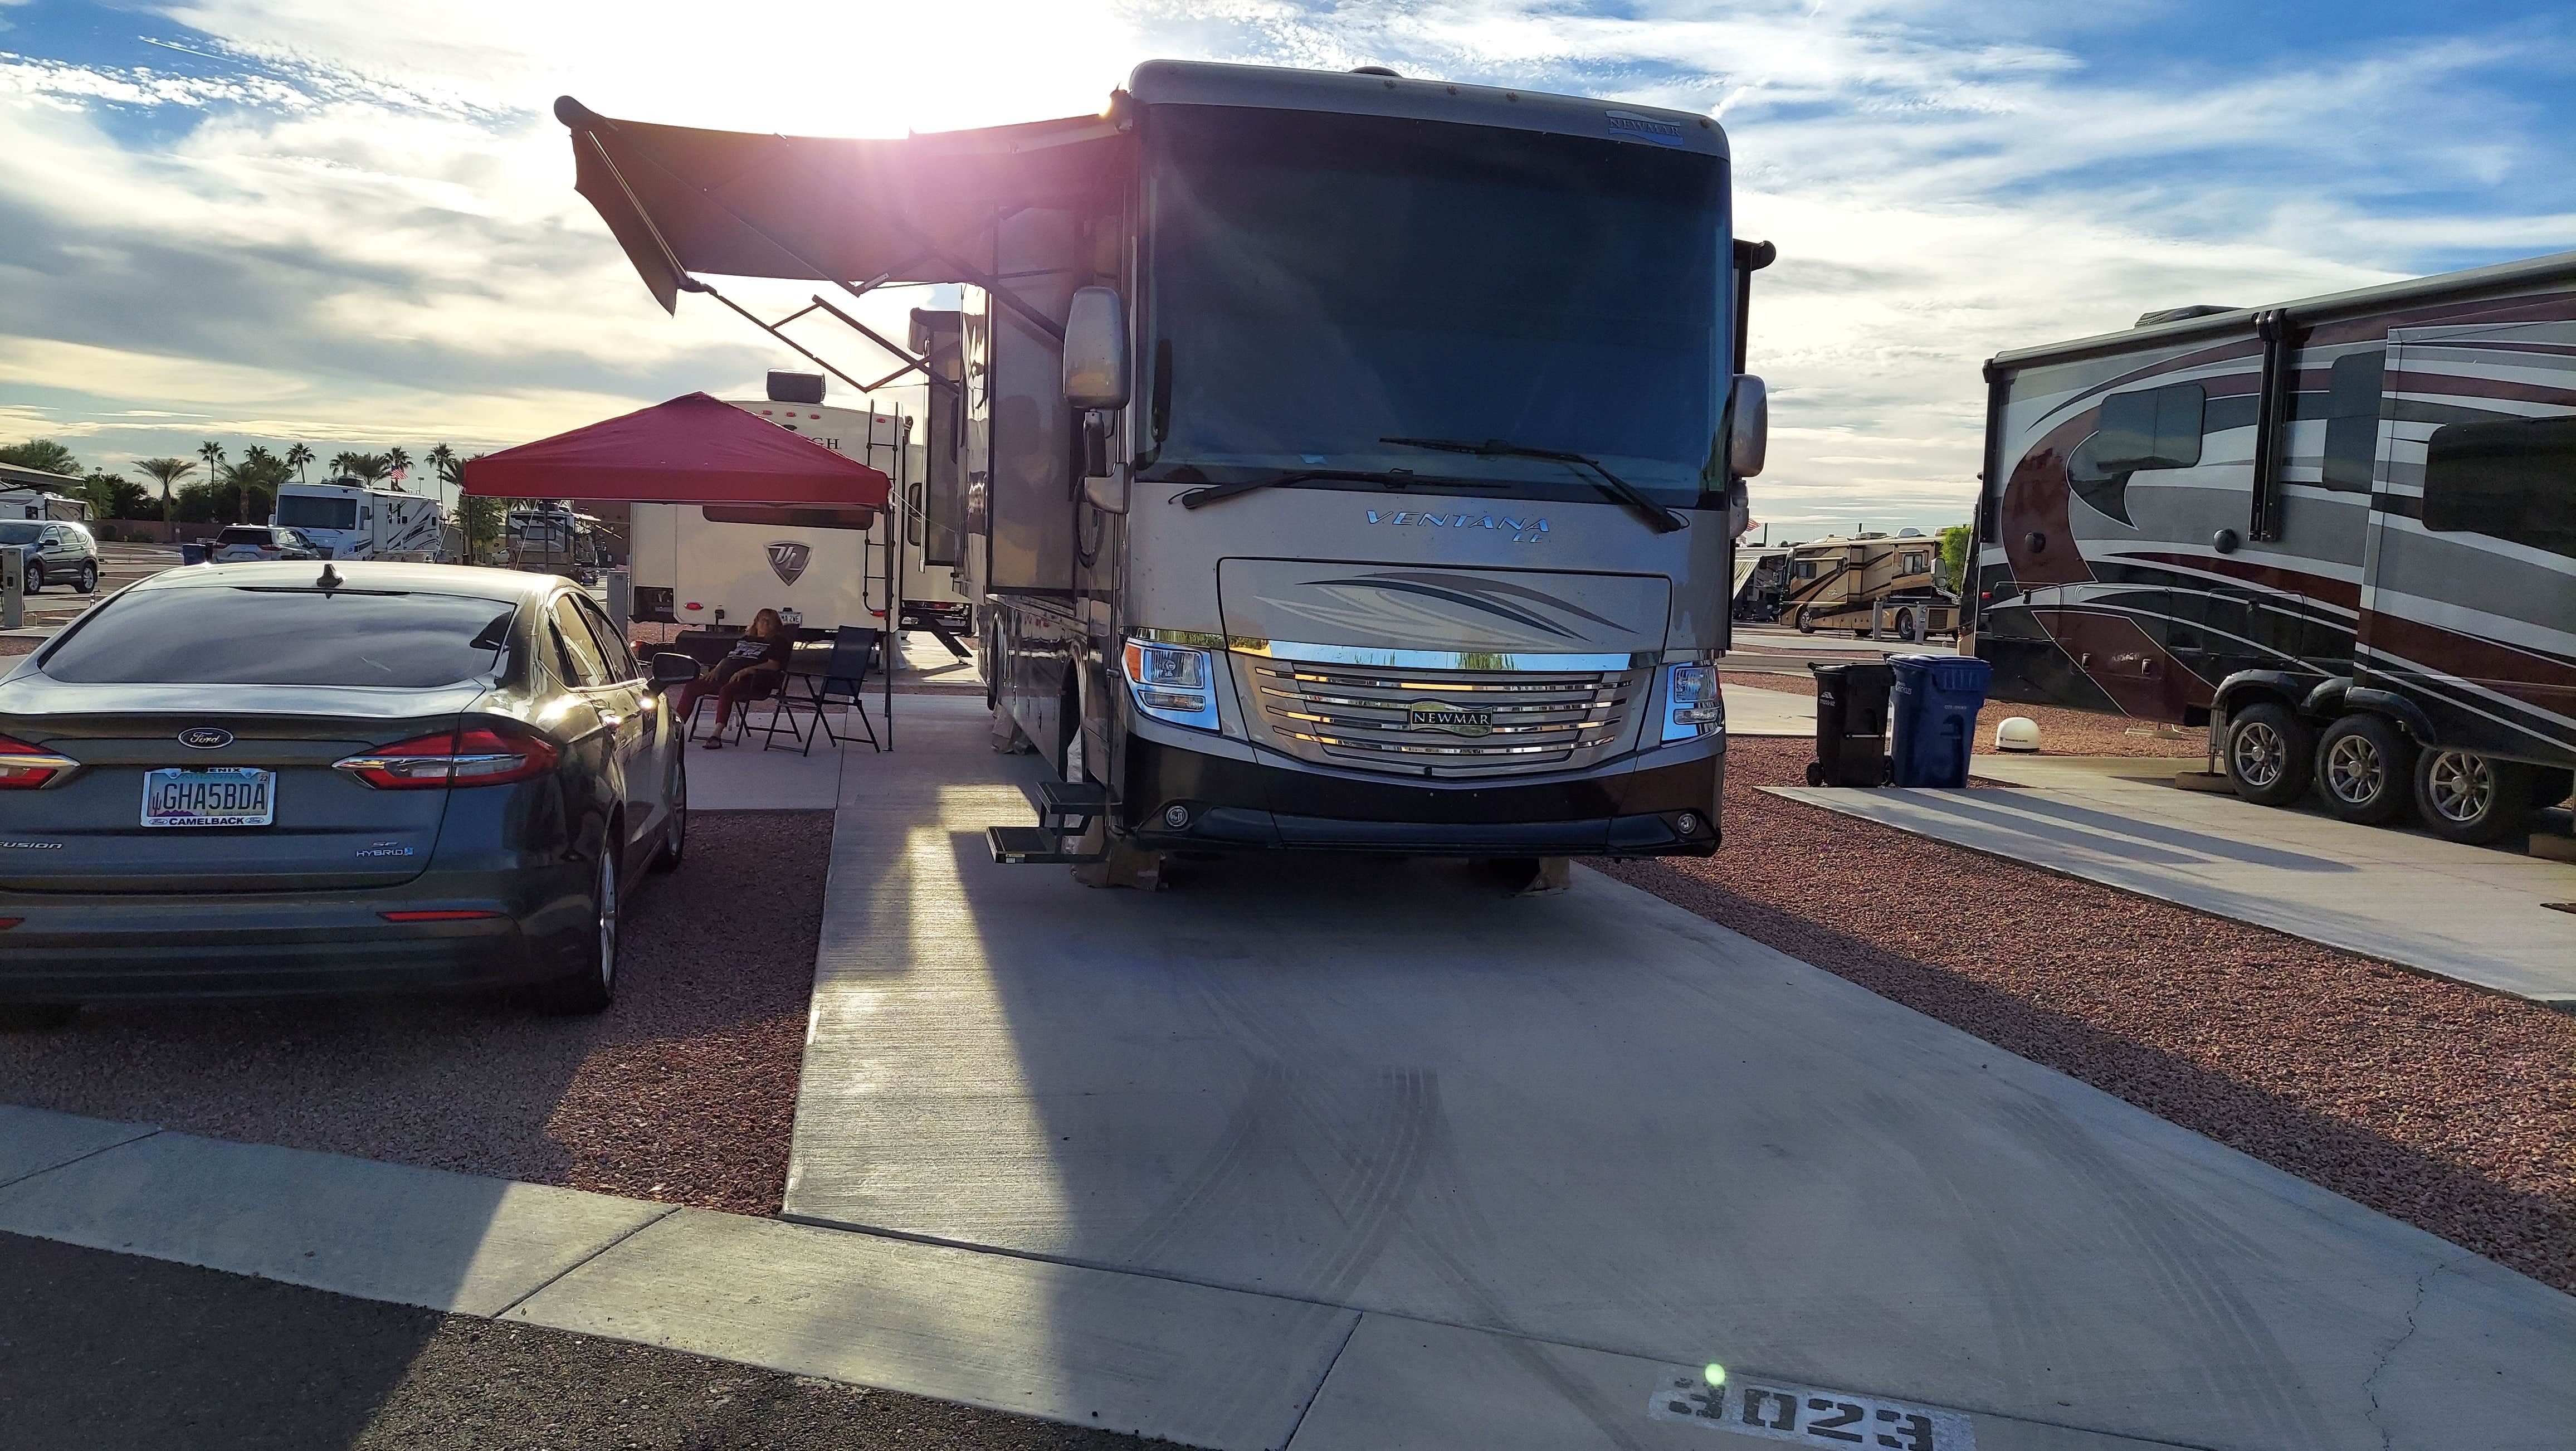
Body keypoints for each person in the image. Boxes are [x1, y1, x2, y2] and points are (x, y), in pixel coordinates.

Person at [672, 609, 794, 749]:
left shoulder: (778, 641)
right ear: (756, 622)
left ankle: (716, 735)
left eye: (769, 621)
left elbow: (774, 665)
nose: (765, 624)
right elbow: (729, 657)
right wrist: (718, 667)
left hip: (754, 681)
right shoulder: (745, 639)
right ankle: (677, 728)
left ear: (776, 624)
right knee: (693, 686)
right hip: (727, 677)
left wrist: (747, 670)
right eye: (762, 620)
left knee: (726, 691)